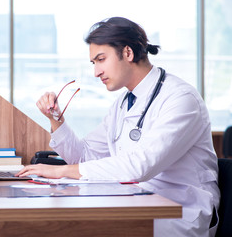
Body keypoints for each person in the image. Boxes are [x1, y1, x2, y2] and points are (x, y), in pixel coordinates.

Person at [17, 17, 220, 237]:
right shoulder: (124, 104)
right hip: (134, 201)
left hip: (178, 212)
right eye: (93, 63)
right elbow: (84, 157)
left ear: (128, 53)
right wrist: (56, 118)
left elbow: (139, 167)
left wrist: (61, 172)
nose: (96, 72)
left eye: (101, 60)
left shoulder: (180, 98)